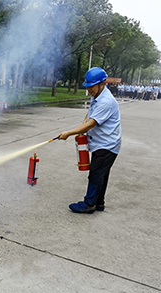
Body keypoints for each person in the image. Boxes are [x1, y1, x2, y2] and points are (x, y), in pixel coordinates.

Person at [57, 67, 121, 213]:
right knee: (102, 175)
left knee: (95, 174)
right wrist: (83, 128)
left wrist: (69, 133)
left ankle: (89, 204)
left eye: (92, 86)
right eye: (88, 87)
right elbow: (90, 114)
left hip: (107, 144)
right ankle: (99, 203)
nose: (89, 90)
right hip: (102, 142)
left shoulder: (106, 101)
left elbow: (92, 123)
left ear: (102, 83)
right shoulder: (98, 95)